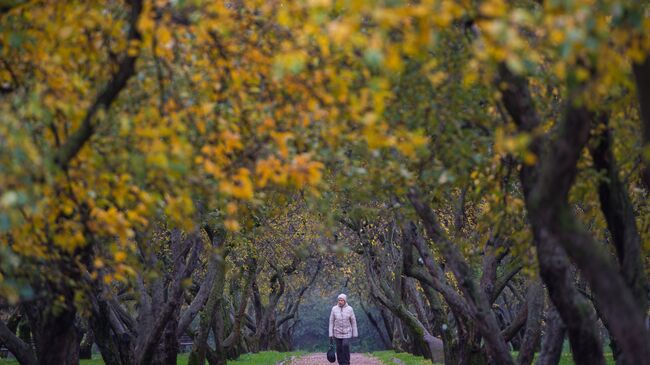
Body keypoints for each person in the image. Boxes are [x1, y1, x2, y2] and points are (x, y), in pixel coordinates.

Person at [329, 293, 358, 365]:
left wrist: (355, 333)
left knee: (345, 345)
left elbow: (353, 321)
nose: (340, 301)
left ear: (345, 301)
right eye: (339, 300)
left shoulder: (350, 309)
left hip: (347, 332)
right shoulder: (334, 309)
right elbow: (331, 322)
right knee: (339, 349)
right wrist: (331, 334)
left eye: (342, 300)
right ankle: (341, 363)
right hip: (337, 332)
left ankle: (346, 362)